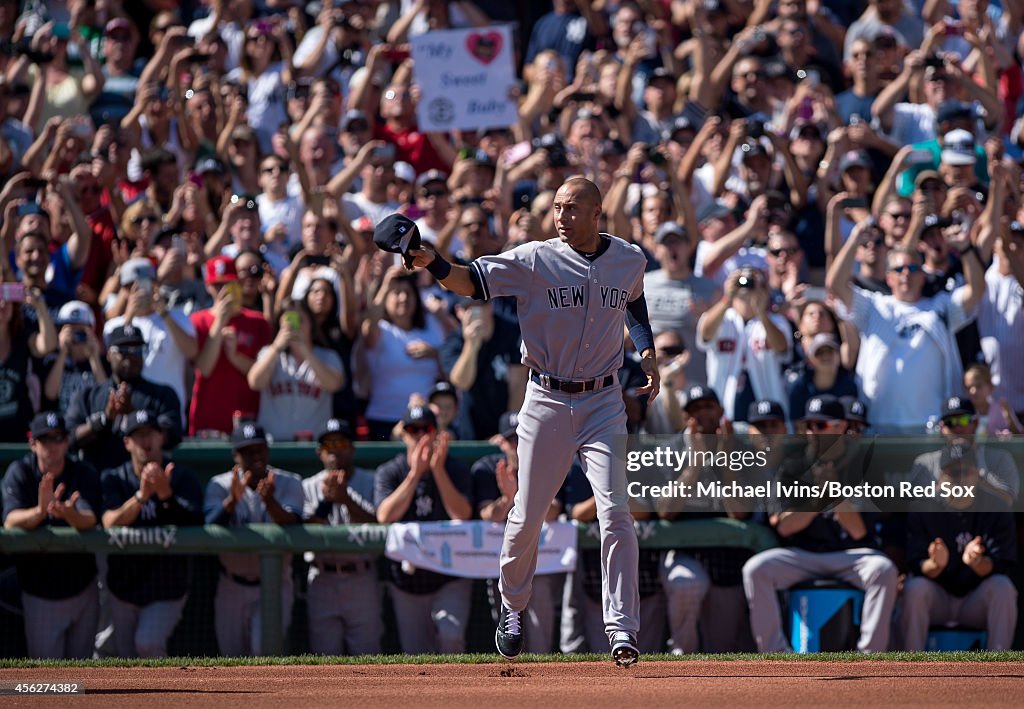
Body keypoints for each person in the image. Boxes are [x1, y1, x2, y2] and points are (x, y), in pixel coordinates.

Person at [405, 176, 659, 666]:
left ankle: (622, 630)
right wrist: (431, 260)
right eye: (558, 208)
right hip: (545, 398)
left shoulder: (629, 257)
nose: (561, 217)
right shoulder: (535, 259)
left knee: (615, 513)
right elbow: (469, 282)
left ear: (596, 214)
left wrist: (646, 352)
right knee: (527, 514)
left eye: (571, 209)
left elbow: (634, 301)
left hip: (604, 400)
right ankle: (513, 606)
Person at [742, 395, 899, 653]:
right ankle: (776, 655)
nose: (814, 432)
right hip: (803, 555)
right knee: (756, 570)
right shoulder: (792, 466)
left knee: (883, 569)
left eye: (822, 425)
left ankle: (870, 656)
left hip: (849, 555)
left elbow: (858, 530)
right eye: (810, 425)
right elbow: (785, 527)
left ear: (841, 428)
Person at [827, 222, 985, 433]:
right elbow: (835, 284)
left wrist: (965, 247)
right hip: (879, 425)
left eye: (912, 268)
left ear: (922, 275)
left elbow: (976, 290)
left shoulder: (940, 307)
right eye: (898, 269)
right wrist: (854, 240)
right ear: (888, 277)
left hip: (932, 426)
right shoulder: (873, 306)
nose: (906, 274)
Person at [100, 410, 203, 658]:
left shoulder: (181, 476)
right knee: (124, 658)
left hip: (167, 588)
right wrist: (141, 496)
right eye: (138, 435)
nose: (146, 441)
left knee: (147, 644)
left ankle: (168, 697)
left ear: (162, 437)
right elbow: (109, 522)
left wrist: (166, 495)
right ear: (127, 443)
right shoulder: (115, 478)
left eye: (151, 434)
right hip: (123, 588)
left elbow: (196, 524)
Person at [374, 406, 474, 654]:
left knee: (451, 638)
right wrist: (415, 473)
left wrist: (437, 470)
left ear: (436, 432)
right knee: (415, 653)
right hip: (408, 580)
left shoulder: (454, 468)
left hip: (450, 574)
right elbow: (385, 516)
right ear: (403, 434)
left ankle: (456, 693)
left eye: (425, 429)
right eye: (412, 429)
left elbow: (462, 514)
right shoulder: (390, 471)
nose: (419, 435)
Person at [1, 412, 100, 659]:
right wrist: (39, 510)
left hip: (82, 588)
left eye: (58, 438)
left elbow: (91, 519)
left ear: (67, 442)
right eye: (46, 439)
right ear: (33, 443)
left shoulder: (81, 472)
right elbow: (10, 520)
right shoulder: (21, 471)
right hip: (41, 593)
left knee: (82, 678)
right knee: (48, 680)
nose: (53, 446)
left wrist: (69, 514)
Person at [901, 445, 1018, 650]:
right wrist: (934, 564)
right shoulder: (923, 507)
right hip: (938, 600)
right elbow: (915, 563)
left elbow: (1002, 564)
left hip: (974, 601)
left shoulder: (996, 507)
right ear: (941, 477)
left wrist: (978, 562)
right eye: (953, 472)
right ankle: (911, 667)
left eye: (967, 471)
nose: (960, 478)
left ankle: (998, 669)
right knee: (915, 588)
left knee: (1003, 587)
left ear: (978, 476)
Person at [204, 421, 304, 657]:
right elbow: (209, 525)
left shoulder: (289, 482)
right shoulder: (219, 485)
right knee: (231, 656)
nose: (255, 456)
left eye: (259, 449)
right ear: (235, 455)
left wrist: (270, 502)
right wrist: (232, 500)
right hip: (232, 584)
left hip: (274, 583)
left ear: (268, 451)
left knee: (264, 652)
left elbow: (295, 524)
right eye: (248, 451)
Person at [302, 418, 382, 656]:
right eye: (329, 444)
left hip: (361, 575)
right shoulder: (308, 486)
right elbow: (305, 531)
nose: (335, 449)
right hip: (322, 576)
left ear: (352, 448)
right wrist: (328, 500)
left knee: (368, 655)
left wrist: (345, 499)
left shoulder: (371, 479)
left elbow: (380, 521)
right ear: (320, 452)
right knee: (324, 657)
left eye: (341, 443)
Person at [66, 324, 182, 473]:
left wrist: (133, 415)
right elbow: (70, 439)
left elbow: (171, 436)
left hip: (146, 480)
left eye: (137, 350)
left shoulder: (162, 395)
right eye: (123, 350)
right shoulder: (88, 395)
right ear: (108, 354)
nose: (131, 356)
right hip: (99, 483)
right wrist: (105, 419)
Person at [189, 256, 272, 436]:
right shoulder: (197, 321)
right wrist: (220, 321)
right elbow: (203, 369)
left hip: (247, 418)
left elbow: (263, 374)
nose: (223, 291)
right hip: (207, 419)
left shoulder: (258, 322)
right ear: (207, 286)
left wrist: (235, 356)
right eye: (217, 285)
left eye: (228, 284)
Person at [247, 307, 344, 441]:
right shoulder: (269, 353)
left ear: (311, 324)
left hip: (314, 444)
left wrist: (304, 350)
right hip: (273, 444)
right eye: (288, 322)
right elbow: (255, 382)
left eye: (300, 321)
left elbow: (333, 385)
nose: (293, 326)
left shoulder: (328, 356)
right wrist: (276, 346)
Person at [909, 396, 1020, 506]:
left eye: (964, 420)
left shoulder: (999, 458)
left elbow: (1006, 502)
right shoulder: (926, 463)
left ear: (975, 423)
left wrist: (976, 481)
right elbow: (916, 510)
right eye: (950, 422)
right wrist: (943, 485)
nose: (958, 428)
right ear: (942, 427)